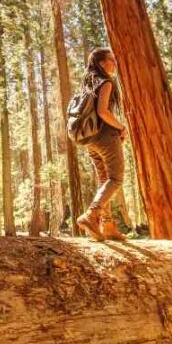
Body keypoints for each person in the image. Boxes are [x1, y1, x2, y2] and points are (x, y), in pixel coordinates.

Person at [75, 47, 128, 241]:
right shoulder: (105, 83)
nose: (114, 63)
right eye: (111, 59)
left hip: (90, 140)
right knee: (116, 179)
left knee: (104, 179)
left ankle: (108, 226)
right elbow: (103, 112)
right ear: (102, 63)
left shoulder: (87, 85)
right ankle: (91, 214)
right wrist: (122, 128)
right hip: (106, 137)